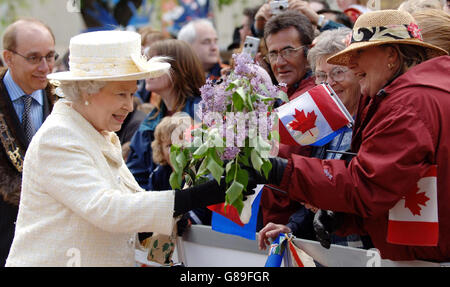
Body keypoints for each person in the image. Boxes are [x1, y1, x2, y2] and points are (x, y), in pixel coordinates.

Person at [4, 30, 243, 267]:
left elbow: (131, 201)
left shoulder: (98, 134)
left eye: (132, 93)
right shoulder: (59, 137)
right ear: (87, 90)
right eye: (121, 94)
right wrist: (190, 198)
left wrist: (170, 215)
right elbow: (106, 208)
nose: (130, 106)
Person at [254, 10, 449, 262]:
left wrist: (282, 170)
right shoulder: (424, 93)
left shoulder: (408, 104)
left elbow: (367, 185)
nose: (351, 65)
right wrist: (343, 217)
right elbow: (395, 184)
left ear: (391, 54)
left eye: (358, 54)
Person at [258, 28, 367, 251]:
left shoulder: (371, 123)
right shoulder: (322, 126)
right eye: (321, 75)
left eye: (337, 73)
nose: (328, 83)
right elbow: (315, 200)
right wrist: (291, 227)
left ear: (358, 72)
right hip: (333, 251)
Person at [0, 18, 58, 267]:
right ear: (8, 57)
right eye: (34, 58)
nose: (45, 67)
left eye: (50, 56)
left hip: (54, 239)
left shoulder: (66, 101)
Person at [126, 39, 204, 191]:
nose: (148, 70)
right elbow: (134, 175)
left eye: (155, 63)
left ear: (179, 68)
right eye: (147, 62)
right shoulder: (150, 121)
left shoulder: (203, 111)